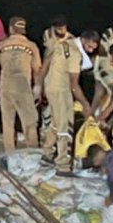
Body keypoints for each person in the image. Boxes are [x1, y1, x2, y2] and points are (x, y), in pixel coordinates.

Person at [41, 17, 92, 174]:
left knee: (55, 123)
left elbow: (47, 62)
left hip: (51, 87)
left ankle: (47, 154)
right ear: (83, 40)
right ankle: (63, 165)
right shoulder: (75, 53)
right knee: (65, 127)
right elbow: (74, 84)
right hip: (62, 90)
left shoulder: (64, 45)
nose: (92, 48)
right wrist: (85, 104)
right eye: (90, 45)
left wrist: (39, 84)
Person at [0, 16, 42, 153]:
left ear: (11, 29)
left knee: (7, 122)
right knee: (30, 121)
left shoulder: (1, 45)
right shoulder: (32, 46)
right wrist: (37, 87)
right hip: (23, 86)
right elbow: (37, 69)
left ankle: (10, 152)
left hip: (5, 85)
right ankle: (32, 152)